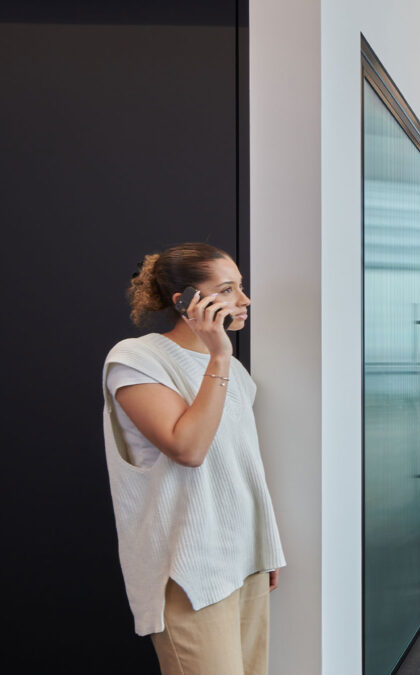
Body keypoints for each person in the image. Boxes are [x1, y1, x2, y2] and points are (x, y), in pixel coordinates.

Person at [101, 243, 285, 674]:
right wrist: (219, 354)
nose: (244, 300)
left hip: (244, 557)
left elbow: (242, 467)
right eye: (227, 289)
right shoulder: (136, 358)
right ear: (186, 300)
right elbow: (189, 449)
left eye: (241, 286)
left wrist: (268, 544)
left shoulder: (236, 376)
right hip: (188, 566)